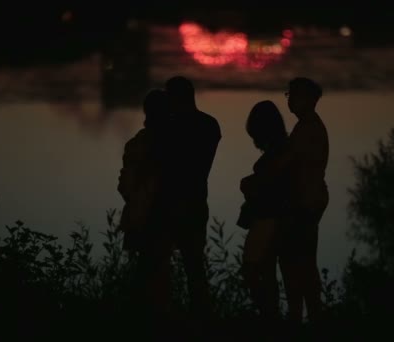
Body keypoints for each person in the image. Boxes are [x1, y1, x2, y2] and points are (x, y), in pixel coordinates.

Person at [242, 77, 329, 324]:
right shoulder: (305, 128)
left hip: (304, 206)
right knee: (299, 265)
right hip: (306, 203)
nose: (290, 100)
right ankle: (305, 316)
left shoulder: (308, 130)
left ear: (310, 99)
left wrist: (253, 180)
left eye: (294, 95)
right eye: (288, 95)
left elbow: (283, 165)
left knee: (296, 266)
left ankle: (301, 317)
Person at [154, 76, 222, 319]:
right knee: (194, 266)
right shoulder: (210, 125)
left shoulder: (169, 128)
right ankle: (202, 317)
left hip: (168, 204)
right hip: (196, 201)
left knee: (160, 266)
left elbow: (162, 163)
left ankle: (163, 318)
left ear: (173, 98)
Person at [117, 89, 172, 315]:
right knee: (159, 270)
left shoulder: (137, 144)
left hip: (141, 215)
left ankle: (143, 317)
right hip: (162, 217)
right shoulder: (172, 144)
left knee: (146, 269)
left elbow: (125, 185)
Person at [238, 100, 289, 321]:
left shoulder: (279, 153)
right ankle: (271, 316)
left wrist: (249, 184)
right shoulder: (281, 150)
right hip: (270, 219)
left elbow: (272, 185)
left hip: (267, 219)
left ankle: (269, 315)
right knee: (266, 272)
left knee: (252, 270)